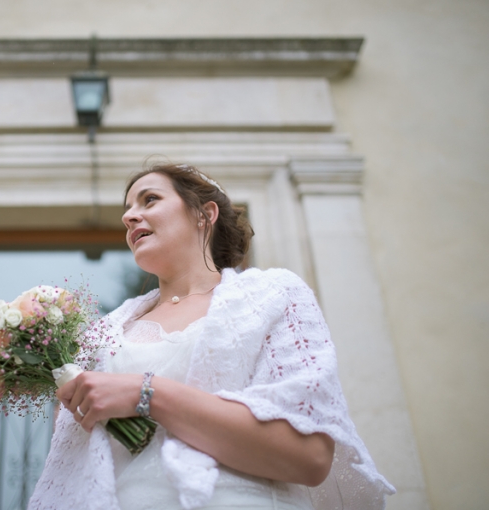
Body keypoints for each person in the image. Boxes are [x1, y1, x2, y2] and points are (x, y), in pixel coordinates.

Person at [30, 163, 395, 510]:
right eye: (127, 210)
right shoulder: (107, 332)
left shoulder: (271, 295)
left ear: (204, 214)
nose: (128, 217)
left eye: (150, 199)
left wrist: (148, 393)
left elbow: (311, 457)